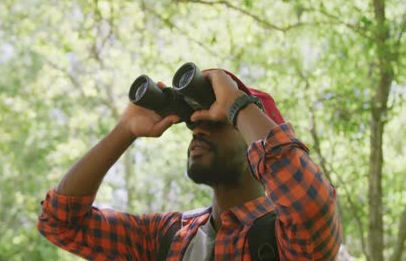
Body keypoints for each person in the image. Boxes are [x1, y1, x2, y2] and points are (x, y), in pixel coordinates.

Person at [37, 69, 342, 260]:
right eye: (194, 120)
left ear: (254, 142)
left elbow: (310, 206)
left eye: (217, 119)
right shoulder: (166, 236)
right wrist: (124, 130)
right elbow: (61, 223)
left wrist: (236, 103)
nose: (199, 128)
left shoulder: (284, 237)